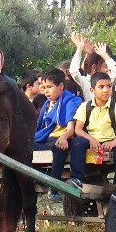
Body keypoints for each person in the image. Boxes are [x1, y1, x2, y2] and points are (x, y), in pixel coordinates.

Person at [68, 72, 116, 205]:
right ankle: (77, 179)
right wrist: (90, 139)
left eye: (109, 86)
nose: (106, 90)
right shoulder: (85, 106)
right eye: (101, 87)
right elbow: (78, 129)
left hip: (109, 142)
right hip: (91, 142)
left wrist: (114, 142)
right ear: (92, 90)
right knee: (77, 142)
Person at [33, 68, 83, 202]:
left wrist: (64, 137)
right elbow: (41, 128)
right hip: (46, 139)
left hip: (64, 139)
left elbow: (72, 129)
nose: (46, 91)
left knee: (59, 147)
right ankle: (33, 178)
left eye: (50, 87)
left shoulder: (72, 101)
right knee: (25, 146)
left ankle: (54, 188)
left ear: (61, 86)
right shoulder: (47, 104)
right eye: (44, 87)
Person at [68, 32, 116, 103]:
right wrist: (79, 49)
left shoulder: (107, 81)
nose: (107, 70)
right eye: (105, 66)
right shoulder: (85, 81)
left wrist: (105, 55)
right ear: (94, 67)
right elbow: (73, 71)